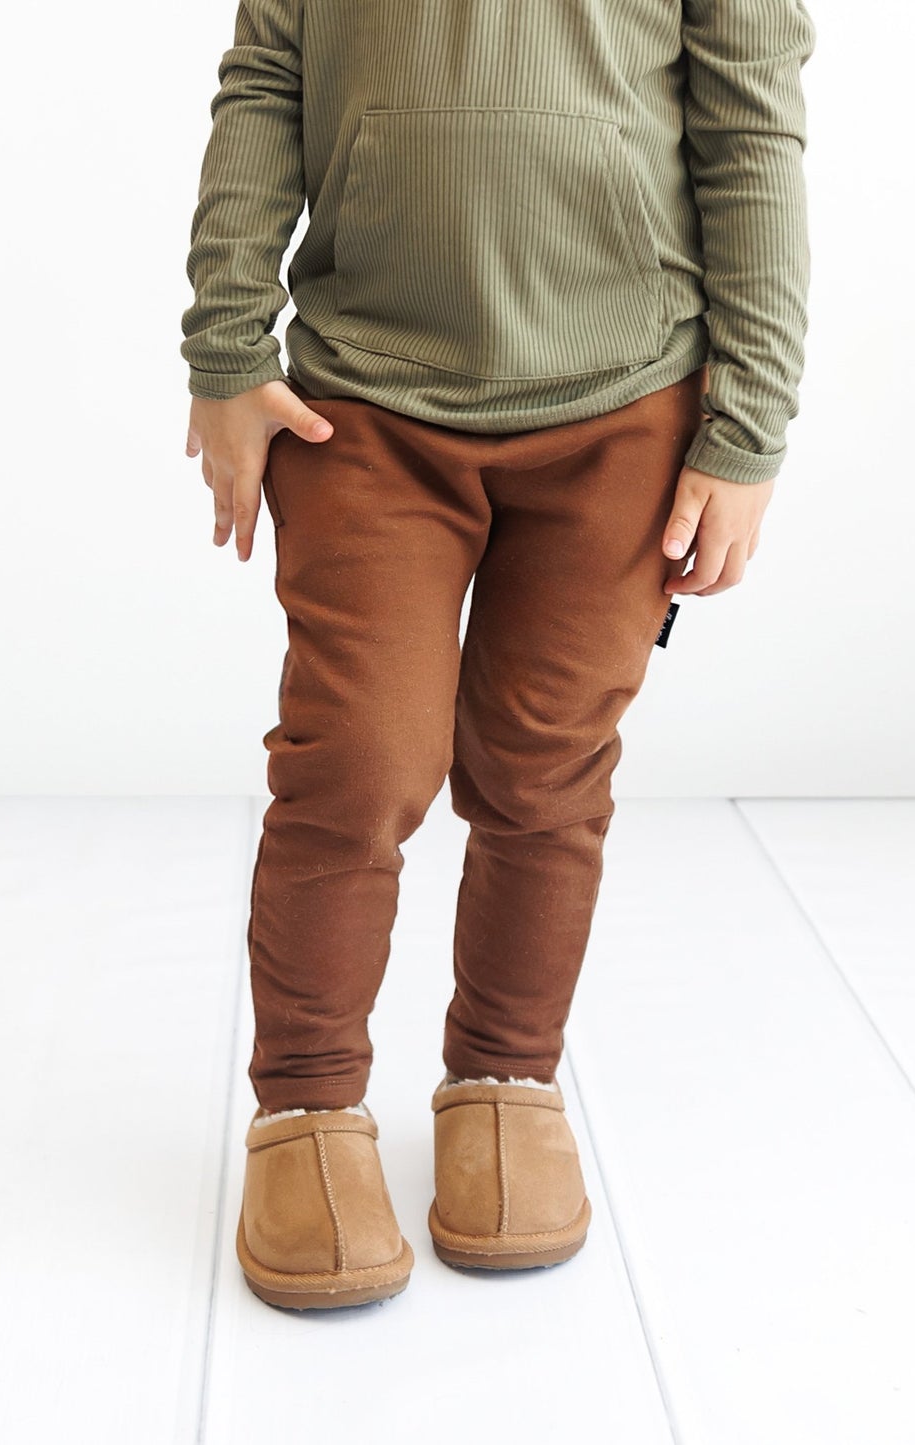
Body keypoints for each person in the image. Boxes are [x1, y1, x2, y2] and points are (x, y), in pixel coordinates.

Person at [180, 0, 816, 1310]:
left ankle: (504, 1075)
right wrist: (226, 349)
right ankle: (304, 1103)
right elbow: (265, 79)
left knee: (544, 765)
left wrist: (748, 427)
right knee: (357, 759)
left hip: (624, 401)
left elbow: (752, 131)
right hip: (365, 398)